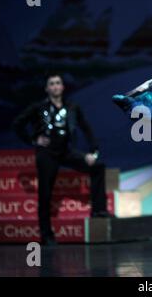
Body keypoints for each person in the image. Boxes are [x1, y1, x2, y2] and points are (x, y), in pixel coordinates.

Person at [13, 74, 113, 245]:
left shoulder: (72, 107)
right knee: (45, 192)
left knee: (97, 167)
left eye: (58, 83)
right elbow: (17, 123)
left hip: (66, 151)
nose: (55, 86)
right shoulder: (39, 107)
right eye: (51, 84)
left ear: (63, 87)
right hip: (47, 153)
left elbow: (85, 127)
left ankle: (98, 210)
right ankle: (46, 234)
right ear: (47, 88)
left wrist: (93, 151)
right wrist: (33, 140)